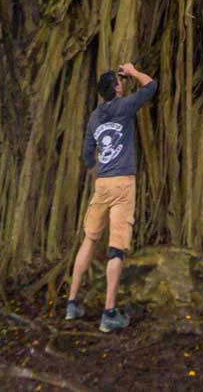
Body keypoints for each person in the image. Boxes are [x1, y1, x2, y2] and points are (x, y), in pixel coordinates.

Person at [64, 60, 157, 332]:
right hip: (123, 185)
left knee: (89, 240)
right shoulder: (125, 106)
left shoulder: (95, 117)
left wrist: (96, 173)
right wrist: (133, 72)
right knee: (116, 248)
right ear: (117, 87)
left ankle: (72, 304)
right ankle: (109, 312)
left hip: (102, 184)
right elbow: (152, 86)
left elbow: (86, 154)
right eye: (119, 82)